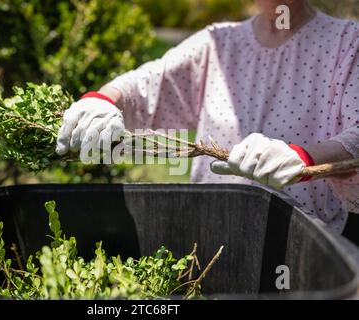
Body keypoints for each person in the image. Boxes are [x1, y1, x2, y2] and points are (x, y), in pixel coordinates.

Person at [56, 0, 359, 237]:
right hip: (208, 236)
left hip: (302, 248)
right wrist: (103, 100)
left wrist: (304, 159)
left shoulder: (347, 43)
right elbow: (148, 83)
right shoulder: (218, 43)